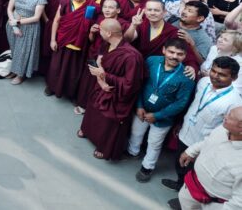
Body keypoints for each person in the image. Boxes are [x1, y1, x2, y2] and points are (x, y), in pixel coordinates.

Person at [161, 57, 242, 193]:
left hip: (202, 144)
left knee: (193, 173)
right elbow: (193, 105)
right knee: (179, 163)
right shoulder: (203, 82)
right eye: (213, 71)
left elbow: (226, 130)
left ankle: (184, 199)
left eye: (222, 74)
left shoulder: (235, 102)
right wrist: (181, 123)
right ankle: (179, 184)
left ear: (233, 78)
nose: (215, 76)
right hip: (185, 132)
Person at [128, 39, 195, 183]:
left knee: (154, 143)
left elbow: (180, 103)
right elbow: (141, 83)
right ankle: (132, 152)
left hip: (164, 118)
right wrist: (139, 105)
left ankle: (147, 167)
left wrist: (157, 115)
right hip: (142, 110)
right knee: (136, 132)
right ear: (164, 50)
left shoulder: (187, 77)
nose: (174, 56)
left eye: (180, 54)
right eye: (171, 52)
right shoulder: (152, 61)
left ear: (185, 56)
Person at [78, 19, 144, 160]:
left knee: (108, 121)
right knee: (92, 109)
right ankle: (88, 131)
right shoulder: (106, 45)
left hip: (116, 93)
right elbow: (99, 65)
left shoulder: (131, 56)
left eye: (100, 30)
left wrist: (104, 76)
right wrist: (101, 81)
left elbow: (130, 84)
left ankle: (104, 147)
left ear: (108, 33)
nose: (99, 32)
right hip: (101, 86)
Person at [175, 107, 242, 210]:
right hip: (192, 186)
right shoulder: (223, 129)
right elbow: (209, 140)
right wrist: (192, 151)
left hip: (214, 204)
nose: (225, 116)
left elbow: (238, 202)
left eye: (230, 116)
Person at [46, 0, 98, 100]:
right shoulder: (64, 3)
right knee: (55, 67)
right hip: (62, 41)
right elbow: (56, 21)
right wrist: (52, 40)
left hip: (80, 43)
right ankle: (52, 86)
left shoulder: (92, 6)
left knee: (73, 71)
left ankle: (69, 92)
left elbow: (90, 26)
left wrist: (91, 33)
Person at [6, 0, 47, 84]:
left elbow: (36, 18)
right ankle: (15, 70)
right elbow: (10, 9)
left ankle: (20, 74)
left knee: (23, 51)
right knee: (15, 50)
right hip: (12, 23)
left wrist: (17, 23)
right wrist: (13, 24)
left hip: (29, 27)